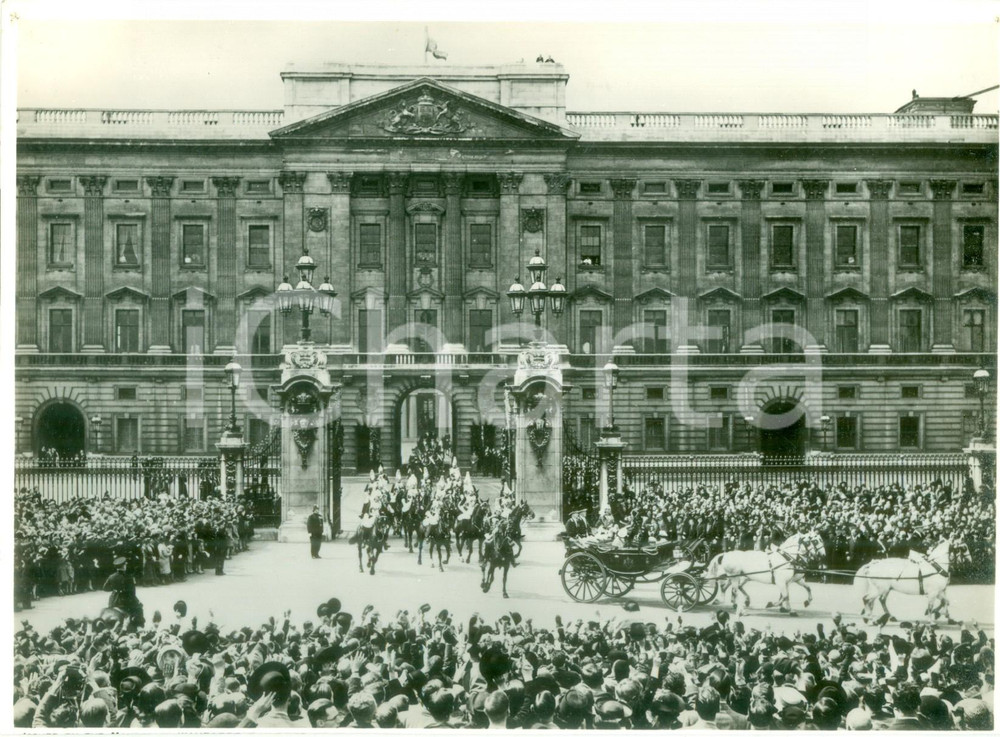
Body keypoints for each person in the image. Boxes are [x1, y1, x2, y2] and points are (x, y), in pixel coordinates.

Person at [103, 556, 144, 627]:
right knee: (139, 609)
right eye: (125, 564)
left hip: (113, 600)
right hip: (125, 601)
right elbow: (132, 593)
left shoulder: (111, 576)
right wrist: (138, 602)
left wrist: (115, 589)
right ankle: (139, 627)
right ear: (123, 566)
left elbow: (105, 588)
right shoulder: (129, 577)